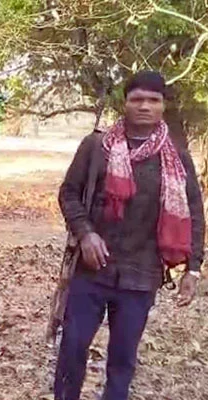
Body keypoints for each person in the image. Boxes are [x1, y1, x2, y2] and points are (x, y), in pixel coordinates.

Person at [55, 71, 204, 400]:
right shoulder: (96, 147)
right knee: (72, 349)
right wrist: (86, 234)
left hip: (141, 276)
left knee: (122, 361)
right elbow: (68, 194)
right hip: (91, 272)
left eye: (153, 100)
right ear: (125, 103)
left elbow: (194, 211)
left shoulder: (177, 156)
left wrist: (193, 269)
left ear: (163, 105)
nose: (145, 106)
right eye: (137, 99)